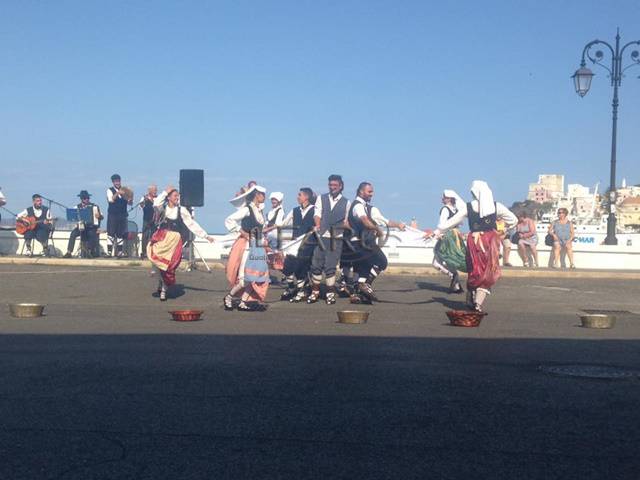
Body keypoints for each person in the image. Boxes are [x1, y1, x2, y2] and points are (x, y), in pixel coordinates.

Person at [426, 180, 517, 313]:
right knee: (488, 271)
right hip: (490, 241)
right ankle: (477, 303)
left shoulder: (468, 207)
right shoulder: (496, 206)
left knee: (474, 269)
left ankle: (472, 296)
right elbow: (513, 220)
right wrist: (501, 231)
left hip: (474, 241)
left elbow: (450, 222)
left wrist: (436, 232)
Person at [148, 186, 214, 301]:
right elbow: (155, 203)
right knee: (157, 261)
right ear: (169, 197)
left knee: (168, 266)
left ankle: (164, 288)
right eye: (174, 196)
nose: (177, 198)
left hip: (173, 240)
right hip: (162, 237)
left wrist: (205, 235)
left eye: (178, 196)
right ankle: (160, 281)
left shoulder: (181, 210)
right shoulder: (162, 207)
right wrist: (165, 192)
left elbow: (191, 224)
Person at [344, 182, 405, 304]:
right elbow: (365, 221)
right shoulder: (358, 206)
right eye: (369, 191)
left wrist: (398, 225)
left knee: (364, 268)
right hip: (362, 243)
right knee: (382, 262)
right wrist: (377, 230)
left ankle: (361, 291)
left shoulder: (365, 206)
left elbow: (384, 221)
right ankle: (364, 285)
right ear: (361, 192)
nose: (372, 194)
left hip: (359, 243)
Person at [224, 185, 271, 311]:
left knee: (257, 277)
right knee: (245, 277)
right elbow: (229, 220)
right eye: (262, 194)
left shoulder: (259, 211)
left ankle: (243, 301)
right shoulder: (247, 209)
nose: (264, 197)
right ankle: (229, 297)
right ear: (257, 195)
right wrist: (243, 233)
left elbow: (260, 230)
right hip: (247, 246)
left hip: (258, 246)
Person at [308, 174, 350, 305]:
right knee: (316, 264)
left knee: (331, 266)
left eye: (335, 185)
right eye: (330, 185)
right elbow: (317, 213)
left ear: (341, 186)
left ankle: (330, 293)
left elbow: (347, 221)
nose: (332, 187)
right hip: (322, 236)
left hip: (336, 238)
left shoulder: (347, 203)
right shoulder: (321, 198)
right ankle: (314, 292)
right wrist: (318, 224)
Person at [279, 188, 317, 302]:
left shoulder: (315, 210)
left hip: (308, 244)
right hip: (294, 244)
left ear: (306, 197)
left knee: (301, 269)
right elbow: (283, 224)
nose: (297, 197)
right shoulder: (295, 211)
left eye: (299, 195)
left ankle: (301, 292)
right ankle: (292, 288)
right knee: (287, 268)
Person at [431, 190, 466, 294]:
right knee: (450, 260)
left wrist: (438, 234)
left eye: (444, 197)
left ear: (449, 198)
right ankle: (457, 286)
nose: (442, 198)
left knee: (436, 262)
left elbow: (442, 224)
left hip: (446, 236)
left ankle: (452, 275)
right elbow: (460, 223)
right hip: (455, 236)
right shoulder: (456, 210)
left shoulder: (445, 209)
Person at [63, 190, 103, 258]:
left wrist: (99, 216)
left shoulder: (94, 207)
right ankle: (69, 252)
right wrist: (76, 222)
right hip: (81, 227)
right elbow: (73, 218)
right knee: (73, 233)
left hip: (91, 227)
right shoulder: (77, 207)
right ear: (81, 199)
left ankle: (89, 251)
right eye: (84, 198)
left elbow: (101, 217)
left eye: (87, 198)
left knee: (92, 234)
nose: (86, 199)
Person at [106, 174, 132, 257]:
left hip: (122, 215)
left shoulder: (125, 190)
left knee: (120, 233)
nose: (117, 182)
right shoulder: (109, 190)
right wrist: (117, 193)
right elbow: (111, 200)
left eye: (118, 181)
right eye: (115, 181)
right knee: (111, 233)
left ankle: (120, 252)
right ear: (113, 182)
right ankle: (109, 252)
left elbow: (129, 203)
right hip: (113, 215)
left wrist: (130, 200)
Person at [139, 185, 158, 259]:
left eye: (156, 190)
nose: (155, 191)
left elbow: (156, 206)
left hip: (155, 219)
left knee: (154, 236)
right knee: (145, 236)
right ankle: (144, 252)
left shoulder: (157, 198)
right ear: (149, 190)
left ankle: (153, 252)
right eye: (154, 190)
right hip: (146, 219)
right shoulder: (144, 197)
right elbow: (141, 206)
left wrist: (151, 200)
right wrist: (144, 201)